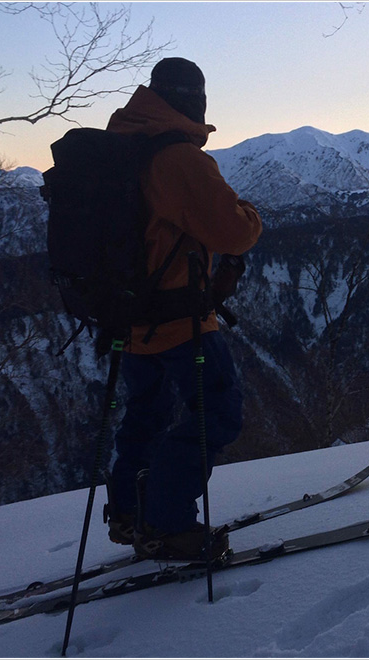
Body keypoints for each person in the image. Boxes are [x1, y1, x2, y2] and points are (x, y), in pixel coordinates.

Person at [102, 57, 262, 561]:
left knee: (146, 412)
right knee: (216, 411)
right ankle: (168, 523)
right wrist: (253, 216)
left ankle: (130, 512)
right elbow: (233, 231)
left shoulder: (124, 146)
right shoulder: (176, 156)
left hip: (128, 317)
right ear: (193, 97)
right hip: (177, 317)